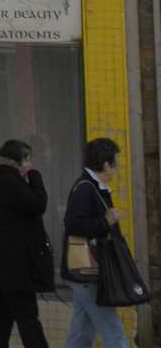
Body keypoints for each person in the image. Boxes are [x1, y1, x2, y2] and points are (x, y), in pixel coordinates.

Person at [0, 138, 54, 348]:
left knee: (1, 319)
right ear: (17, 161)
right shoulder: (10, 183)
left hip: (2, 266)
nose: (31, 165)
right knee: (28, 318)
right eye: (28, 160)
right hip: (15, 268)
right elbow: (38, 204)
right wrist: (35, 178)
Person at [62, 137, 130, 348]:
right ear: (106, 165)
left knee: (81, 331)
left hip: (85, 270)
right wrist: (105, 221)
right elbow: (73, 225)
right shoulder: (85, 188)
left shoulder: (93, 187)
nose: (116, 168)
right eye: (115, 163)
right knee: (112, 330)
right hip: (88, 270)